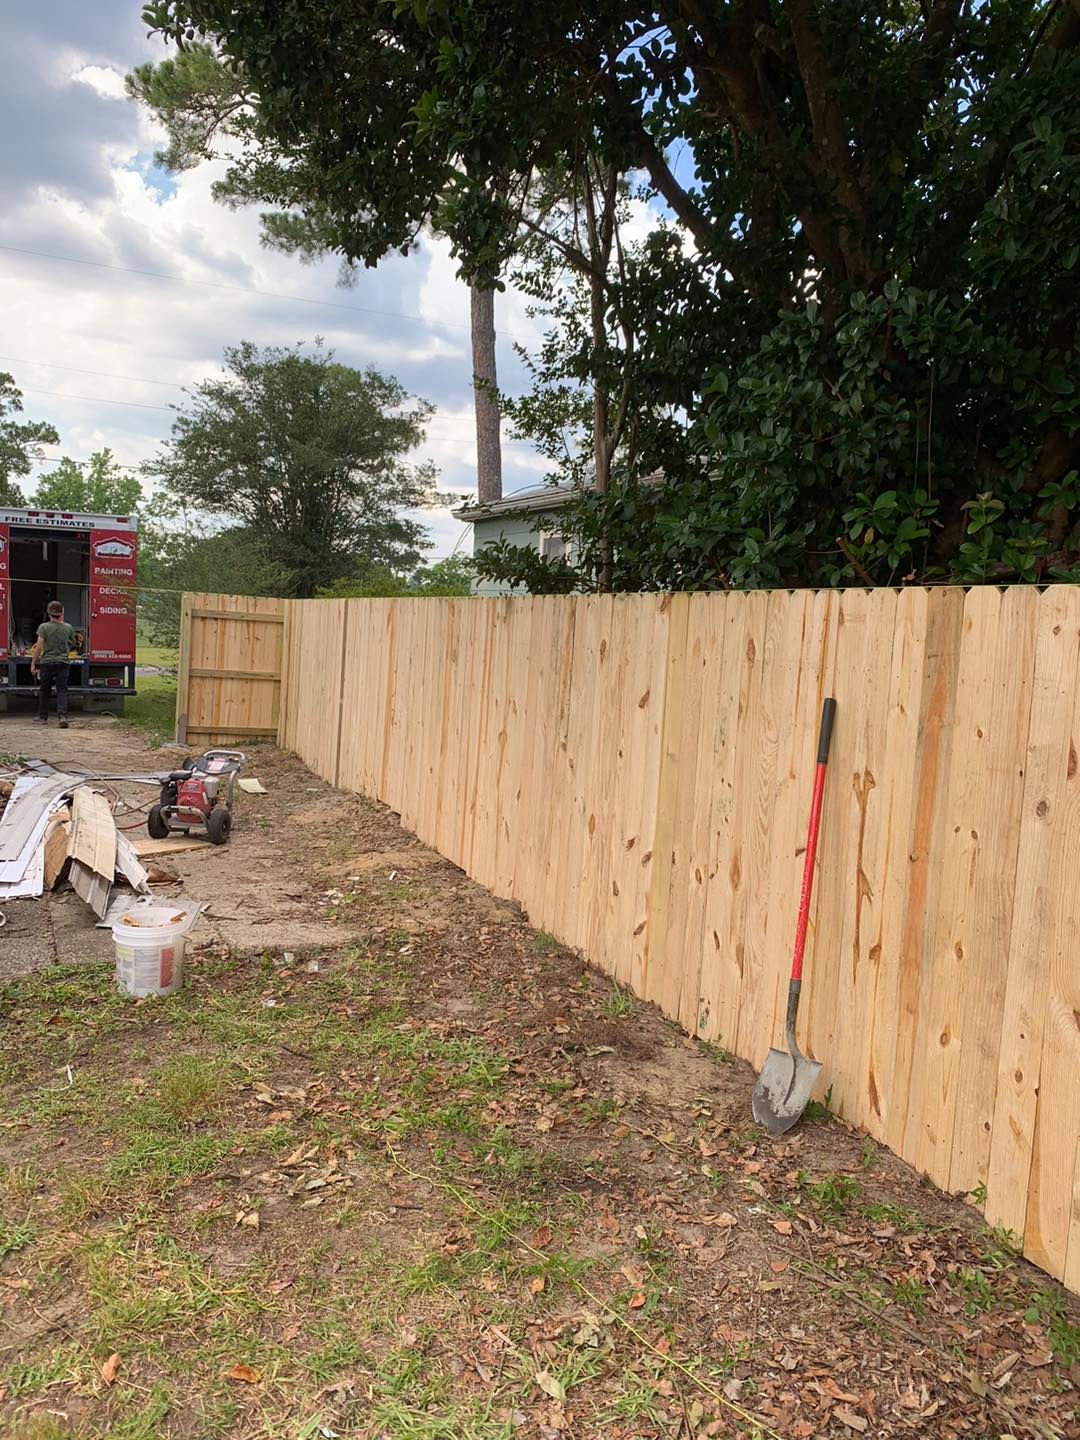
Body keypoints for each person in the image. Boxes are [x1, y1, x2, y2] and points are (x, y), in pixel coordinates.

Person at [30, 600, 76, 728]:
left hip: (47, 663)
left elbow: (39, 647)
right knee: (62, 690)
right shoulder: (68, 627)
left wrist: (33, 663)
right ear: (62, 613)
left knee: (45, 690)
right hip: (63, 662)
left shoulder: (43, 627)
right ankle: (62, 716)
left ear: (49, 613)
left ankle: (43, 717)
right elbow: (73, 642)